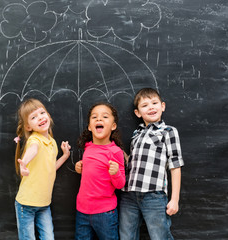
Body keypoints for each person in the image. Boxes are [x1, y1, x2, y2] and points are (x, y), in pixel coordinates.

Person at [119, 88, 184, 240]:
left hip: (154, 194)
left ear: (163, 106)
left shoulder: (168, 131)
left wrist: (174, 199)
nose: (151, 107)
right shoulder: (136, 134)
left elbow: (175, 166)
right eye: (145, 105)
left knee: (159, 236)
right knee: (126, 236)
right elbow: (133, 163)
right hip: (129, 193)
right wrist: (119, 153)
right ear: (138, 113)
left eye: (154, 103)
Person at [14, 98, 71, 240]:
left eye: (42, 113)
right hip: (26, 204)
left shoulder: (51, 142)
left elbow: (51, 168)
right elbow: (33, 150)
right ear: (28, 127)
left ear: (48, 116)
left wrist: (65, 156)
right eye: (33, 117)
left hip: (44, 204)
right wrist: (24, 163)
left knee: (49, 237)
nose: (40, 118)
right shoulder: (35, 139)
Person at [75, 102, 125, 240]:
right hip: (82, 210)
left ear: (113, 126)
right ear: (90, 127)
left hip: (105, 213)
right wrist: (79, 167)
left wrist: (115, 173)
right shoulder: (88, 148)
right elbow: (90, 171)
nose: (99, 119)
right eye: (94, 117)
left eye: (105, 116)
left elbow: (120, 184)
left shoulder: (115, 152)